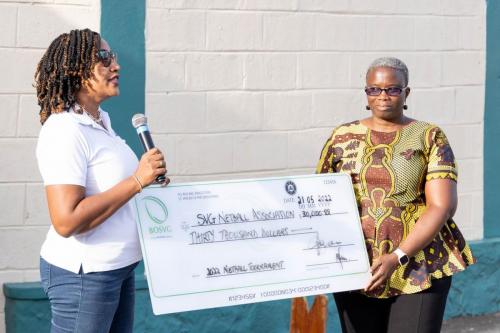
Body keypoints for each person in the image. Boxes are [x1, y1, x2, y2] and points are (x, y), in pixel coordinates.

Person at [316, 57, 475, 333]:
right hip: (357, 266)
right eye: (374, 90)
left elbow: (442, 206)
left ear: (406, 93)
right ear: (366, 93)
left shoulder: (428, 136)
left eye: (392, 89)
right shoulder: (342, 137)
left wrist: (398, 256)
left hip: (418, 266)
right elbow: (318, 200)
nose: (383, 97)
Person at [35, 28, 168, 333]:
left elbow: (120, 194)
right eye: (103, 58)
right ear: (75, 69)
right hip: (84, 276)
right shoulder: (65, 130)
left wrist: (148, 183)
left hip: (117, 269)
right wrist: (137, 180)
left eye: (114, 57)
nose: (115, 65)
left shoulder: (101, 123)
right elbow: (67, 221)